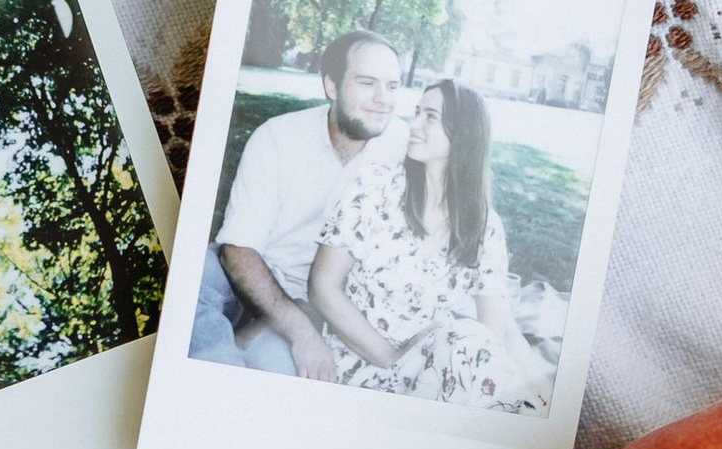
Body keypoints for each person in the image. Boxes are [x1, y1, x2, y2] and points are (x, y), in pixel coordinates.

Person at [307, 78, 552, 412]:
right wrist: (394, 359)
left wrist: (544, 401)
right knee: (467, 338)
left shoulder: (481, 224)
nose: (414, 124)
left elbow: (502, 330)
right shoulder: (376, 189)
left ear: (463, 132)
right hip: (362, 362)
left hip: (435, 369)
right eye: (417, 112)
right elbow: (323, 288)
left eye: (430, 116)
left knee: (506, 386)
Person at [191, 32, 406, 380]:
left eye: (393, 86)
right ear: (331, 86)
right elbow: (237, 250)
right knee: (189, 277)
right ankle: (210, 379)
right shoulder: (278, 137)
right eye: (368, 83)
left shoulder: (405, 152)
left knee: (279, 370)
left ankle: (230, 370)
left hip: (313, 302)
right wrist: (302, 334)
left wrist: (305, 330)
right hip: (247, 274)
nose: (383, 99)